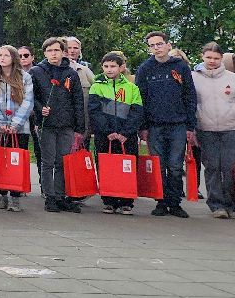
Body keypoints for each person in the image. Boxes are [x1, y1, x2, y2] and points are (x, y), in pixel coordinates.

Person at [135, 31, 199, 219]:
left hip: (178, 124)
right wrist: (143, 127)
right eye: (153, 45)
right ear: (149, 48)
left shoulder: (180, 66)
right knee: (158, 165)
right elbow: (141, 99)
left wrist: (190, 126)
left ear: (168, 45)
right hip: (154, 126)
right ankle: (161, 202)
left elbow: (190, 96)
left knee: (175, 165)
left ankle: (175, 202)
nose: (157, 48)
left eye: (160, 44)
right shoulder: (145, 68)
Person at [30, 36, 89, 214]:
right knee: (47, 161)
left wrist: (80, 128)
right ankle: (50, 196)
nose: (53, 54)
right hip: (47, 124)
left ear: (63, 52)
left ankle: (61, 194)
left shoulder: (70, 73)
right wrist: (41, 109)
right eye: (49, 51)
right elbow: (31, 97)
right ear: (44, 53)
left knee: (63, 161)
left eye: (56, 50)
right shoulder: (36, 71)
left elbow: (78, 100)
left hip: (66, 123)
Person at [89, 52, 145, 215]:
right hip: (104, 135)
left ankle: (126, 201)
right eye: (106, 66)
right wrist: (107, 131)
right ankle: (108, 200)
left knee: (127, 166)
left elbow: (137, 112)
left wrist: (125, 132)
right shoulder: (97, 86)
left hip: (126, 136)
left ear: (121, 68)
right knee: (105, 166)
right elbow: (94, 112)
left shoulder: (131, 88)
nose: (109, 69)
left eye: (113, 66)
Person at [0, 44, 34, 212]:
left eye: (6, 55)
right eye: (0, 55)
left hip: (19, 128)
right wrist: (0, 123)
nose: (2, 58)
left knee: (16, 162)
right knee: (0, 161)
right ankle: (2, 194)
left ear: (13, 58)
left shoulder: (24, 77)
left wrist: (15, 124)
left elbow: (28, 102)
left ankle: (15, 197)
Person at [191, 42, 235, 219]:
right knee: (212, 167)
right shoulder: (193, 77)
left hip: (230, 128)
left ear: (221, 59)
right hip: (205, 129)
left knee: (229, 167)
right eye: (208, 57)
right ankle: (216, 204)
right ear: (202, 57)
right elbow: (191, 104)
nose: (212, 61)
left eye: (216, 58)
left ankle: (230, 203)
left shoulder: (231, 78)